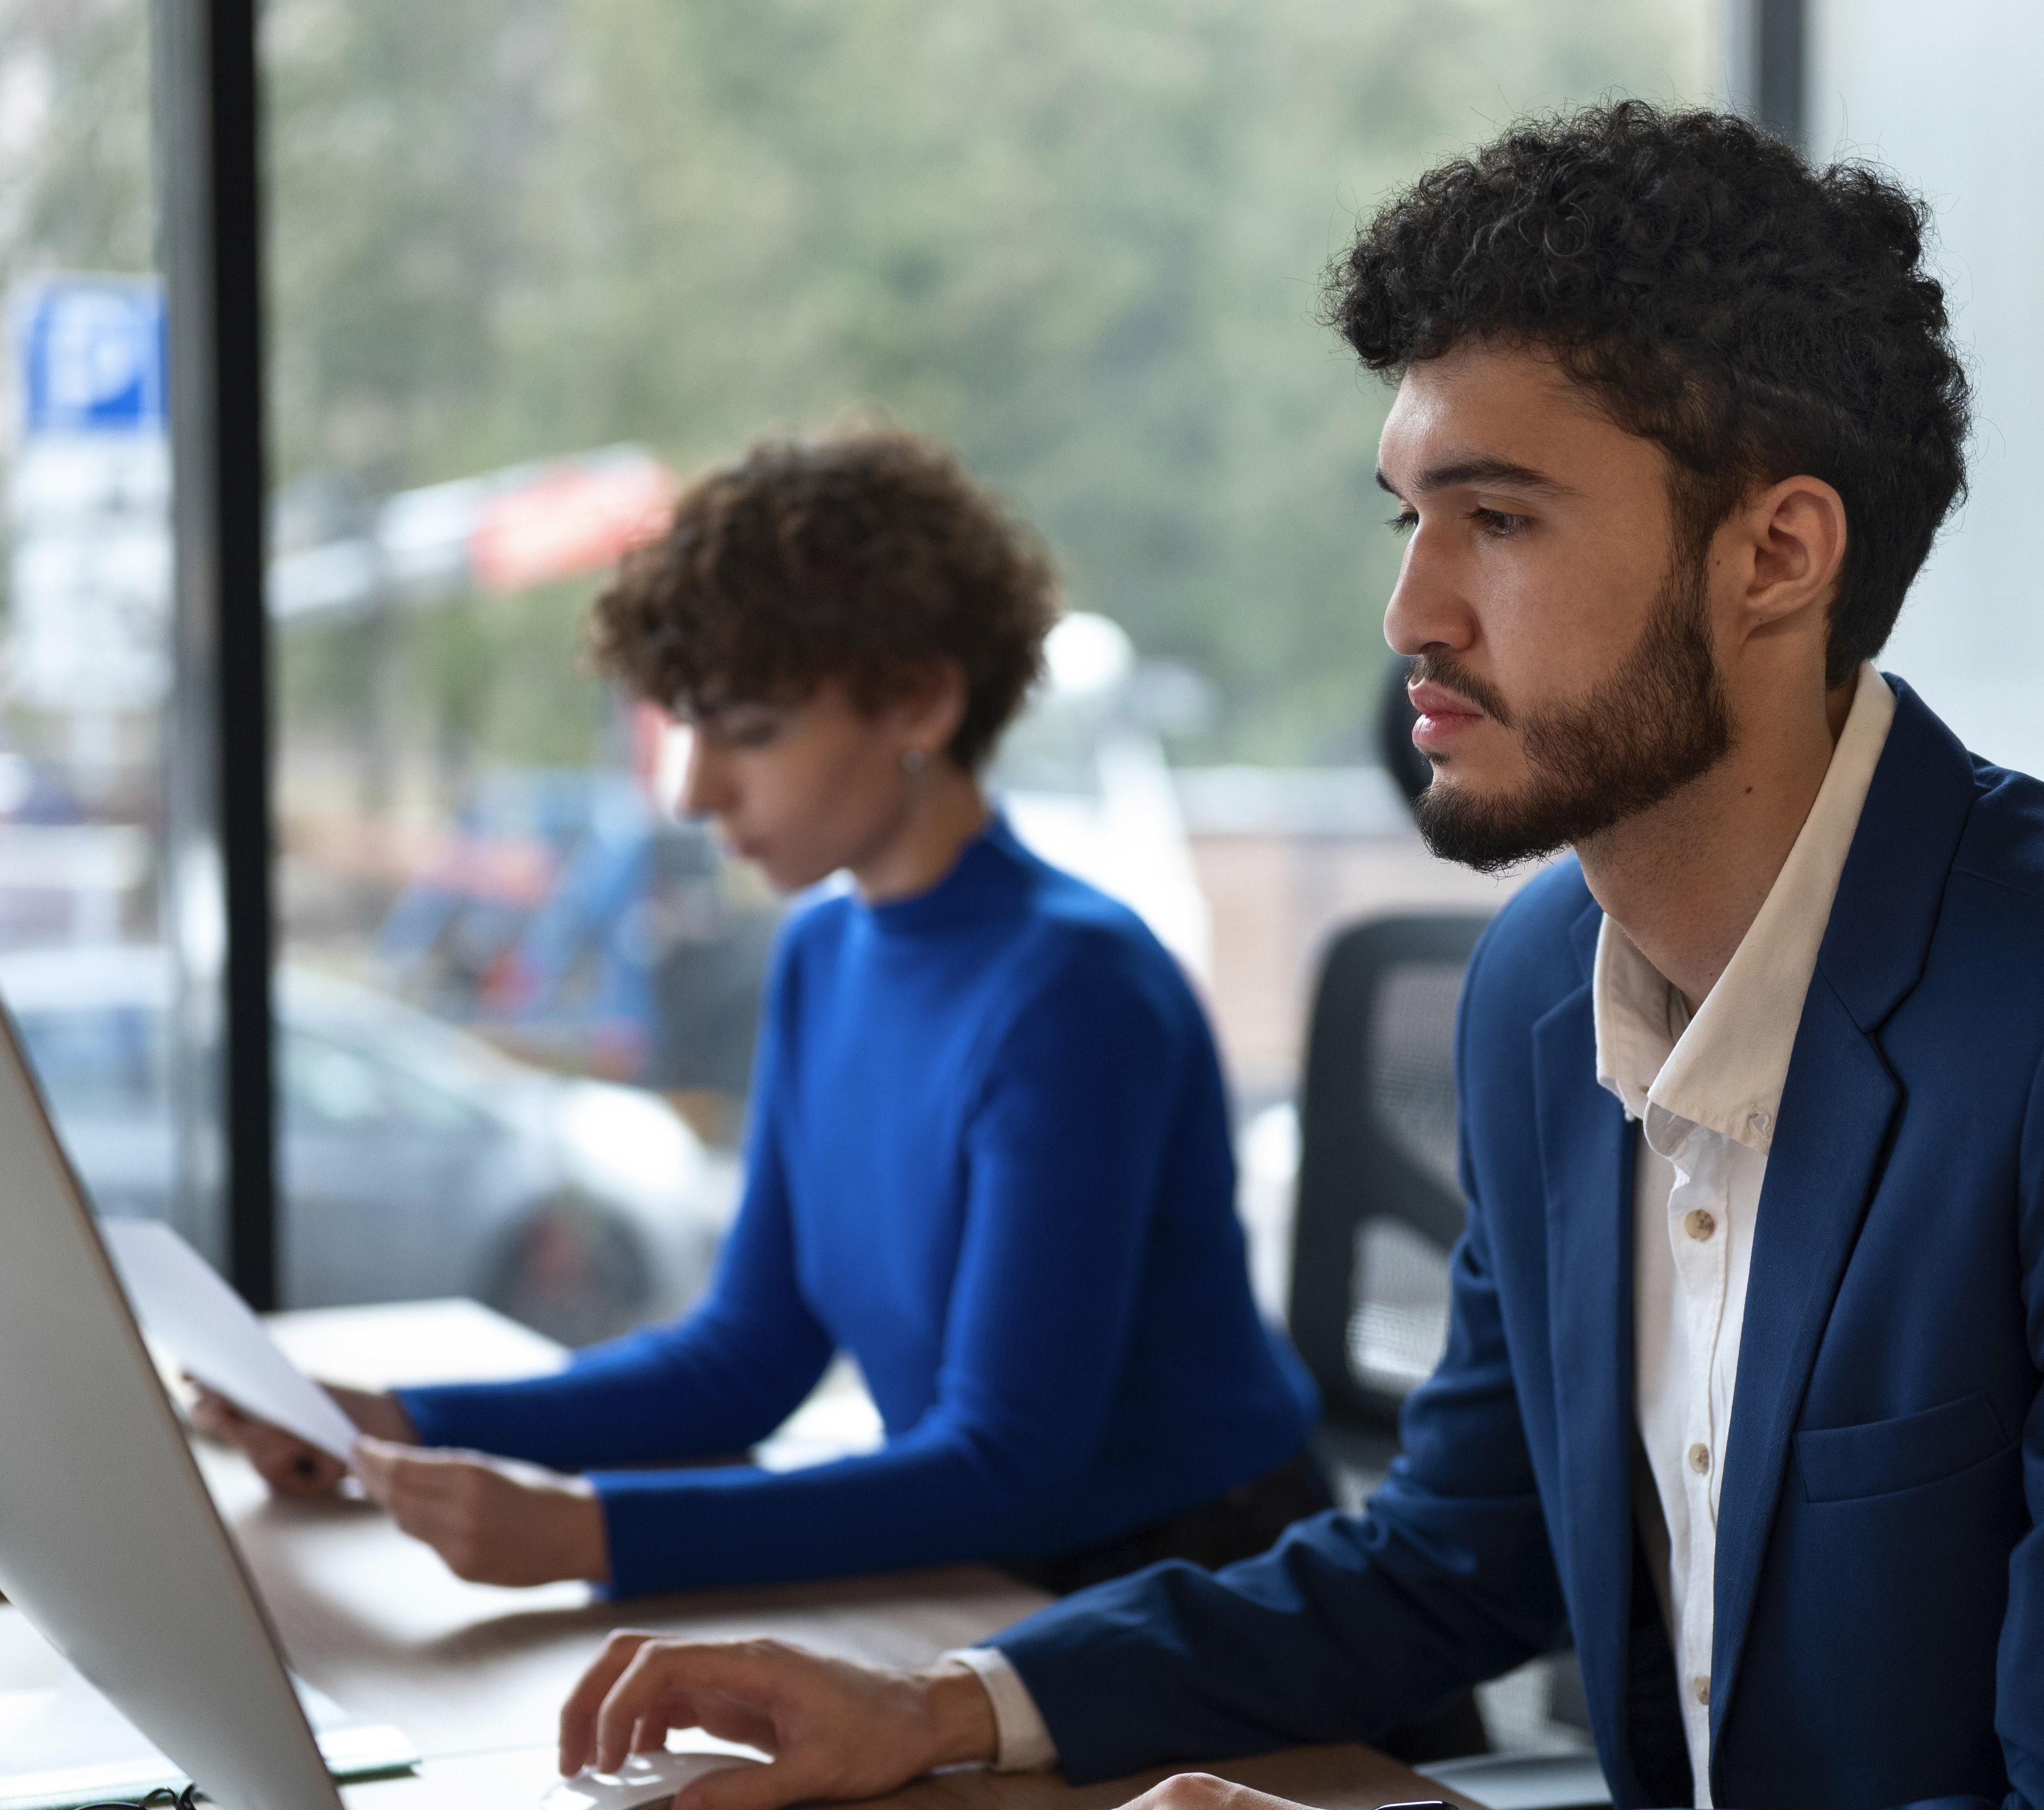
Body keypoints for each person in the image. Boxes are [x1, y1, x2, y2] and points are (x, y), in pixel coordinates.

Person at [542, 105, 2044, 1810]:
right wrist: (945, 1708)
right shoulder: (1527, 988)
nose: (1409, 608)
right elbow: (1439, 1562)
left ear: (1776, 552)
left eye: (1496, 519)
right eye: (1401, 516)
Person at [203, 430, 1325, 1598]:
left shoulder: (1076, 989)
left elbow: (1007, 1463)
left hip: (1201, 1593)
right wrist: (393, 1420)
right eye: (688, 729)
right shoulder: (823, 952)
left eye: (746, 731)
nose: (693, 790)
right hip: (1000, 1574)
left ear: (921, 700)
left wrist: (591, 1533)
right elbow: (749, 1355)